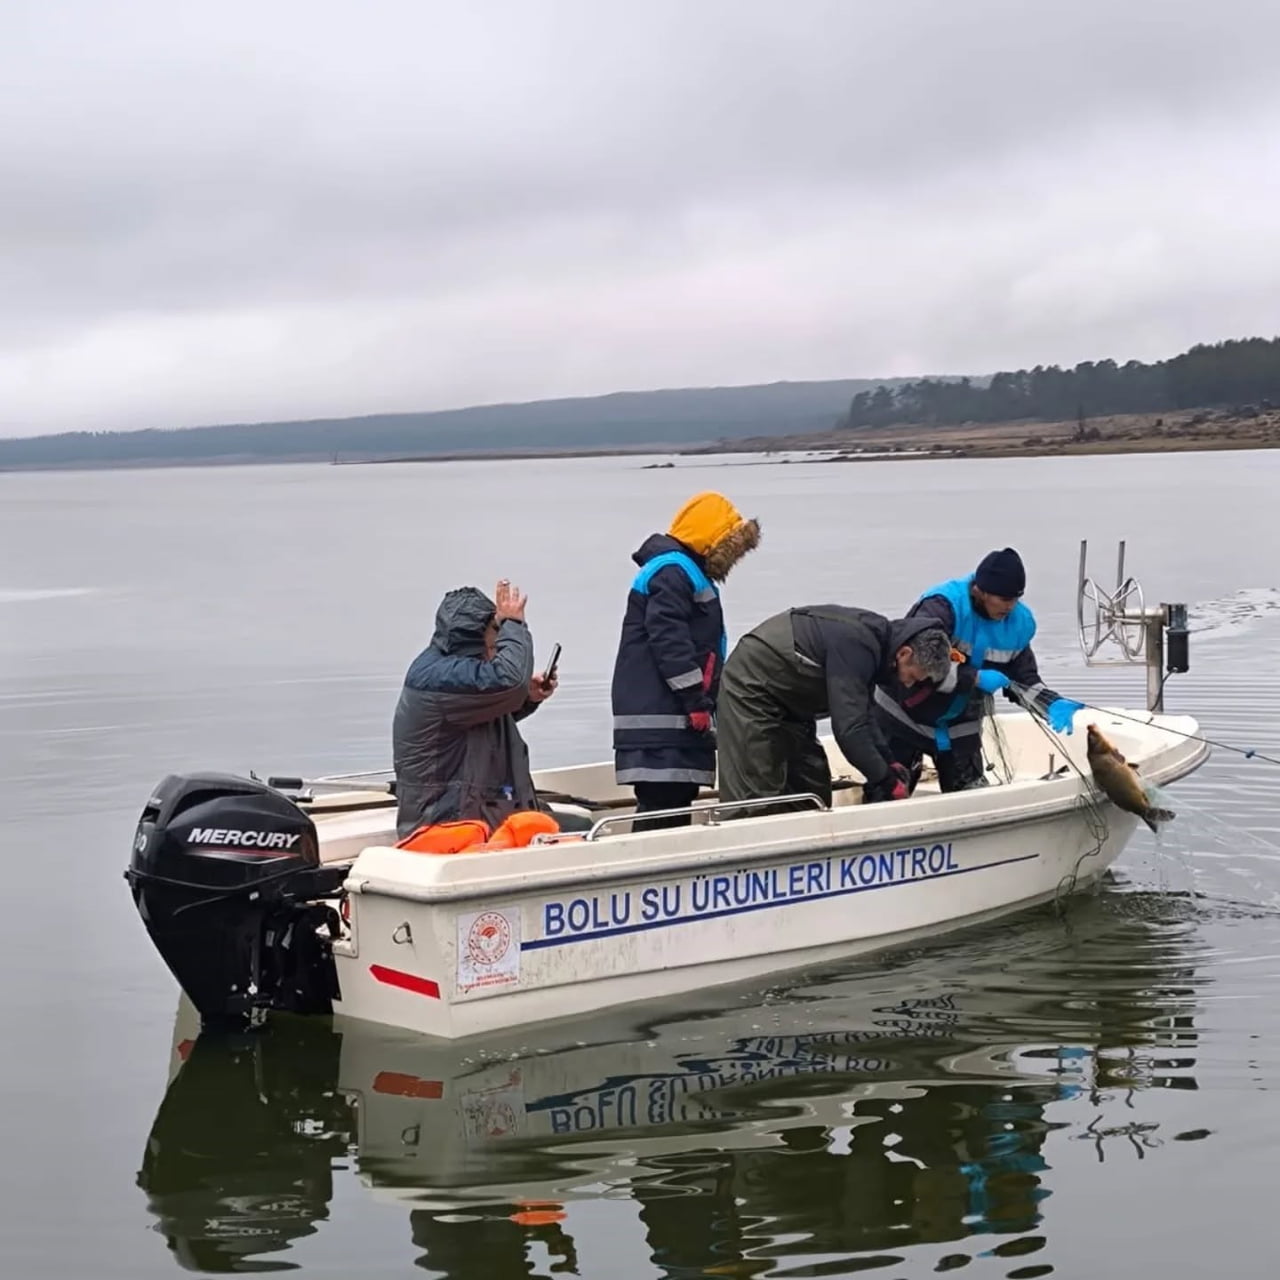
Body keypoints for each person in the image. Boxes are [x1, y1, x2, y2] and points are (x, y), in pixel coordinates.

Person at [873, 547, 1085, 793]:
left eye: (1016, 599)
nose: (1010, 607)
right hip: (902, 718)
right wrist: (974, 678)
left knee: (971, 795)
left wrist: (1051, 703)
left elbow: (1023, 679)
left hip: (961, 727)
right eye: (1004, 599)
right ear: (980, 591)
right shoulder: (942, 607)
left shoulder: (1019, 624)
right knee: (889, 792)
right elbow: (918, 668)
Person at [610, 490, 761, 830]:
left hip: (664, 717)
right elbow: (670, 640)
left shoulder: (678, 570)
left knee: (669, 802)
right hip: (664, 719)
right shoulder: (675, 572)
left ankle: (653, 872)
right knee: (663, 805)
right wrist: (695, 699)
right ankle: (649, 874)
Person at [714, 604, 955, 813]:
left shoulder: (879, 651)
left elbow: (864, 715)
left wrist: (889, 761)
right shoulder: (858, 644)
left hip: (792, 706)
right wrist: (884, 779)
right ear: (904, 653)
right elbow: (849, 729)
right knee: (758, 789)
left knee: (812, 788)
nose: (908, 684)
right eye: (912, 676)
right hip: (751, 689)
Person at [391, 579, 557, 839]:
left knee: (569, 824)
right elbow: (510, 682)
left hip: (475, 818)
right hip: (447, 827)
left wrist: (527, 698)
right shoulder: (441, 677)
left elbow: (482, 720)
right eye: (492, 647)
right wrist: (513, 624)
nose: (493, 656)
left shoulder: (456, 674)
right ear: (471, 642)